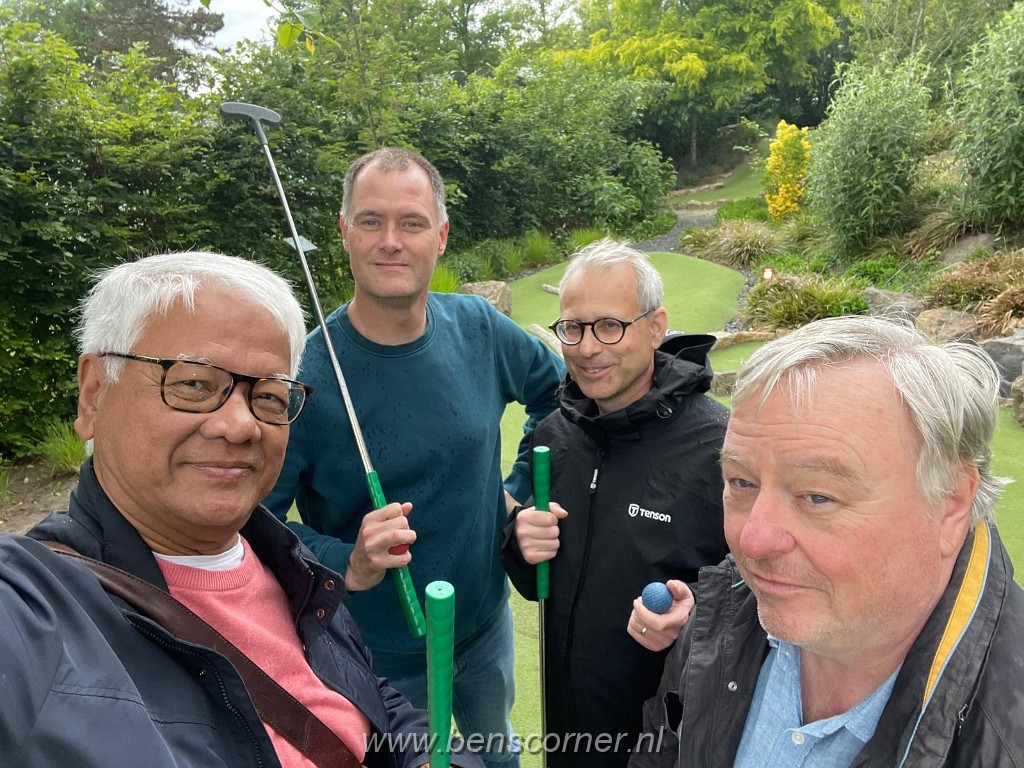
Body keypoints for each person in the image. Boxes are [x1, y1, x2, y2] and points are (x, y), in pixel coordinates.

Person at [0, 252, 483, 767]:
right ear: (94, 395)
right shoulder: (30, 608)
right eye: (193, 383)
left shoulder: (290, 565)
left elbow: (366, 703)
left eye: (269, 396)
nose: (240, 426)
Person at [264, 148, 565, 768]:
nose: (391, 241)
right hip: (375, 655)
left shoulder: (480, 327)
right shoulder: (304, 377)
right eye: (371, 221)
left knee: (499, 756)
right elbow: (257, 522)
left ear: (441, 236)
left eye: (412, 222)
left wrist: (515, 493)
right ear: (345, 233)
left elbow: (557, 396)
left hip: (484, 626)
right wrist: (346, 560)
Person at [630, 315, 1024, 767]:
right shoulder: (716, 619)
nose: (752, 542)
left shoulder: (1006, 738)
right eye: (741, 482)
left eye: (817, 496)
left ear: (951, 504)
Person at [500, 239, 730, 768]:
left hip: (664, 744)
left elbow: (764, 594)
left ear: (655, 327)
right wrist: (519, 541)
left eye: (609, 325)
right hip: (567, 738)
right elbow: (536, 580)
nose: (586, 348)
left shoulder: (721, 450)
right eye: (573, 327)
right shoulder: (554, 434)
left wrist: (696, 612)